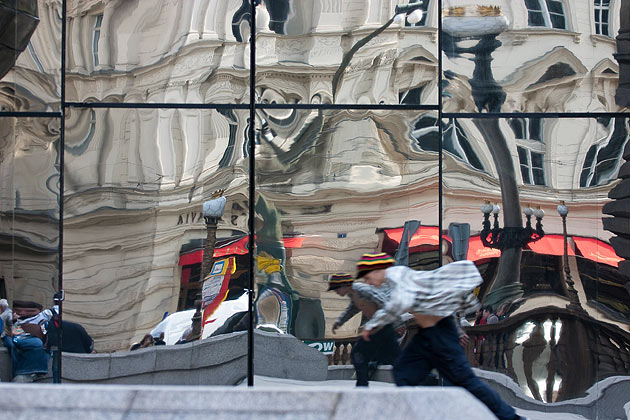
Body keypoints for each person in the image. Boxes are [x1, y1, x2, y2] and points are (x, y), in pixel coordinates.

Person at [358, 253, 525, 420]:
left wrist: (373, 325)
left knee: (467, 382)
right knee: (403, 372)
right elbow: (436, 302)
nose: (369, 282)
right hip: (427, 337)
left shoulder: (397, 277)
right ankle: (422, 413)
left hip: (441, 335)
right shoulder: (394, 280)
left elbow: (397, 305)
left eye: (368, 277)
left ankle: (510, 417)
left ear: (377, 270)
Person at [329, 268, 401, 387]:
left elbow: (384, 302)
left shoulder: (363, 290)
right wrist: (339, 322)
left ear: (344, 285)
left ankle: (362, 385)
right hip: (378, 328)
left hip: (383, 326)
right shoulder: (354, 295)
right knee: (393, 357)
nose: (336, 292)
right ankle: (424, 380)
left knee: (358, 353)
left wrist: (398, 323)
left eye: (336, 289)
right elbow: (352, 310)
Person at [2, 300, 53, 381]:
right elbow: (12, 331)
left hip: (36, 340)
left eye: (29, 311)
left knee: (36, 343)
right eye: (19, 311)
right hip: (17, 337)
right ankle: (25, 373)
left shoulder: (43, 321)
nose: (22, 313)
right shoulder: (10, 318)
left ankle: (29, 372)